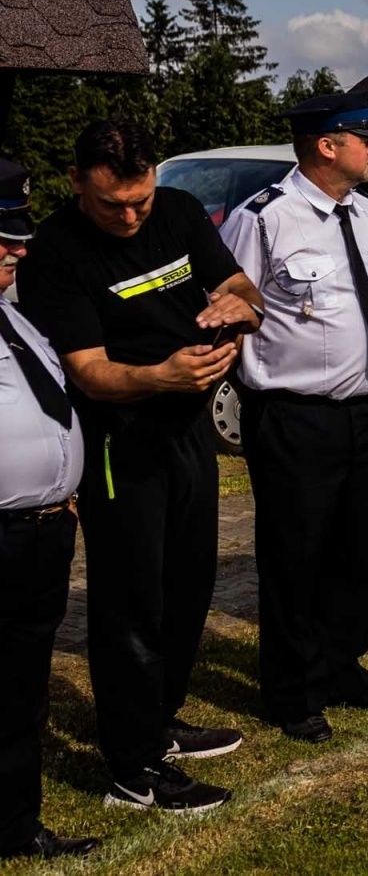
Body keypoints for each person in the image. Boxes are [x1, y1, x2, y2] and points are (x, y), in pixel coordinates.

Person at [18, 121, 261, 812]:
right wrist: (163, 374)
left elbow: (243, 285)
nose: (129, 217)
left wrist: (237, 307)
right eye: (111, 205)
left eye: (139, 202)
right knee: (131, 598)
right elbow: (89, 374)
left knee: (190, 582)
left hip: (186, 431)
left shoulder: (179, 211)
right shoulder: (55, 253)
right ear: (75, 184)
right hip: (118, 440)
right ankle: (131, 767)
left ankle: (160, 719)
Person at [221, 92, 368, 741]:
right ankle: (292, 689)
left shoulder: (363, 211)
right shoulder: (264, 218)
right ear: (326, 145)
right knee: (295, 557)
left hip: (362, 410)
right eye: (363, 137)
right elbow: (228, 309)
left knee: (357, 554)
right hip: (294, 414)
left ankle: (339, 666)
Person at [0, 160, 100, 861]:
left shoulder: (15, 314)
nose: (19, 248)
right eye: (2, 236)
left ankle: (15, 825)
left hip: (41, 533)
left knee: (22, 692)